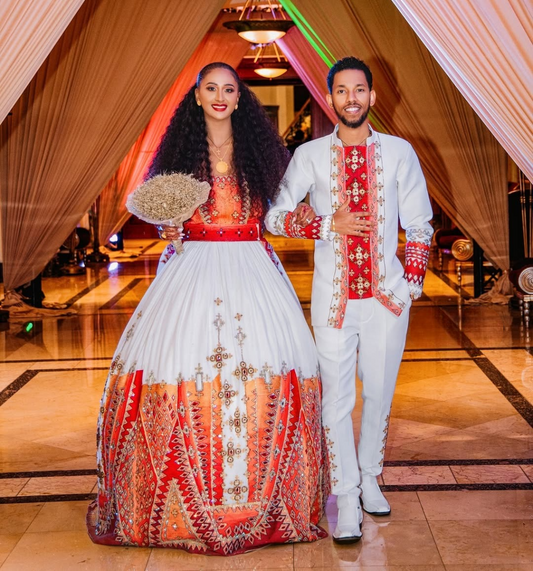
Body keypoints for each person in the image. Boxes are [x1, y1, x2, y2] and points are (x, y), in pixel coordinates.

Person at [87, 63, 330, 554]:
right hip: (192, 266)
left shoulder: (262, 156)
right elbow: (167, 219)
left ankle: (268, 504)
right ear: (196, 97)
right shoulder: (181, 155)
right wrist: (169, 231)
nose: (220, 96)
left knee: (267, 364)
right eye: (211, 89)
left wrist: (312, 220)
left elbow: (280, 215)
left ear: (240, 99)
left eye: (229, 90)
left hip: (252, 268)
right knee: (181, 361)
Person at [265, 57, 433, 543]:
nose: (351, 99)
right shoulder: (310, 156)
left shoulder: (400, 153)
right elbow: (275, 216)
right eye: (342, 91)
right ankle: (345, 494)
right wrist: (323, 224)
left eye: (360, 90)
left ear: (372, 97)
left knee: (378, 394)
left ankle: (372, 478)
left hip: (385, 299)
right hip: (333, 301)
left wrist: (409, 285)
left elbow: (420, 224)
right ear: (330, 98)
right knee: (336, 400)